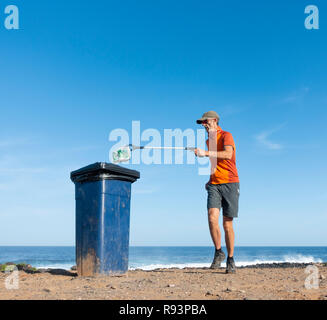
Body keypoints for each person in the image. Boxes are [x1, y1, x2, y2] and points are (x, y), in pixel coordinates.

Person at [194, 111, 240, 273]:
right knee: (212, 218)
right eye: (202, 124)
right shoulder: (209, 141)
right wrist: (210, 179)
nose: (204, 125)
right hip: (214, 184)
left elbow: (228, 155)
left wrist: (205, 153)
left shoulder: (226, 135)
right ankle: (219, 251)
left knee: (227, 224)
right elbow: (215, 164)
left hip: (230, 182)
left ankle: (230, 259)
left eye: (205, 122)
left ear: (214, 120)